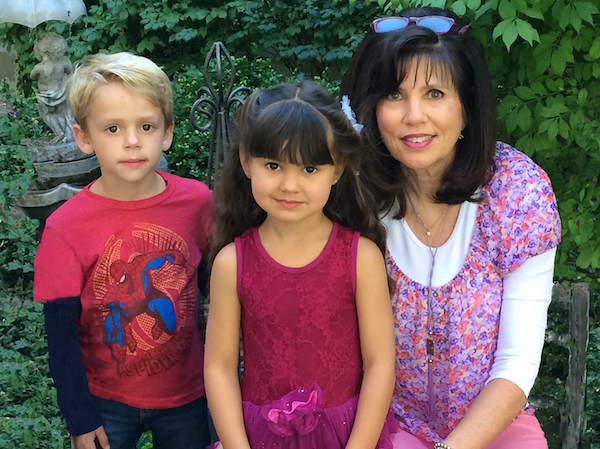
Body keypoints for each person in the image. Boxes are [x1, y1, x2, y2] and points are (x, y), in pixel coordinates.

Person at [341, 7, 561, 449]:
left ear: (468, 103)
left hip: (494, 423)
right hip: (383, 423)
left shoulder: (516, 192)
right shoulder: (351, 192)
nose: (414, 116)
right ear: (369, 106)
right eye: (394, 95)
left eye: (436, 93)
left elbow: (516, 362)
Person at [33, 52, 213, 449]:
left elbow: (217, 292)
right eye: (112, 128)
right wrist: (80, 418)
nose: (132, 141)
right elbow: (59, 333)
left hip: (189, 396)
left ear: (166, 133)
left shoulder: (198, 203)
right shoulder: (65, 228)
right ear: (83, 137)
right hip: (105, 401)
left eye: (146, 126)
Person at [204, 81, 397, 449]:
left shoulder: (360, 258)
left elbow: (380, 364)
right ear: (246, 161)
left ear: (337, 169)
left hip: (348, 436)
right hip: (258, 439)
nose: (290, 185)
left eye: (309, 169)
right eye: (274, 165)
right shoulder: (232, 263)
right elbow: (220, 367)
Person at [30, 32, 76, 142]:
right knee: (61, 114)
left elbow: (32, 76)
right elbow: (70, 72)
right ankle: (66, 134)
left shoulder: (39, 67)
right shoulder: (64, 63)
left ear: (43, 50)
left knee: (47, 115)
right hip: (61, 93)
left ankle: (59, 133)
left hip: (45, 96)